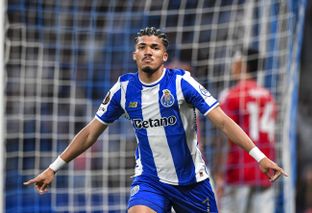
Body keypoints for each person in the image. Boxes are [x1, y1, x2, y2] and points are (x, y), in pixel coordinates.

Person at [24, 27, 287, 213]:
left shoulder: (182, 82)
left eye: (154, 47)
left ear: (164, 56)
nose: (147, 51)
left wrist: (259, 156)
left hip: (192, 182)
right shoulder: (123, 89)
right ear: (134, 55)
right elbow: (91, 132)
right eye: (142, 47)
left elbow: (222, 121)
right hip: (150, 180)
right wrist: (54, 167)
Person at [214, 48, 278, 213]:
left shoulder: (233, 95)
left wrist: (218, 172)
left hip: (238, 171)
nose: (232, 67)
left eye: (235, 62)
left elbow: (224, 135)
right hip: (265, 170)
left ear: (242, 65)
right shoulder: (268, 95)